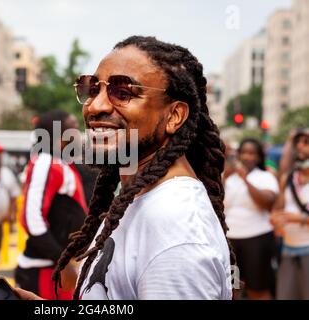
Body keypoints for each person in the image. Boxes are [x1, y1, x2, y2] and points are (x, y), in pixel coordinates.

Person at [16, 36, 234, 300]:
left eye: (124, 92)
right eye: (93, 89)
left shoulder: (176, 232)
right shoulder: (139, 199)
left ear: (174, 116)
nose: (95, 106)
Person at [15, 110, 88, 300]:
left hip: (58, 269)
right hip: (45, 270)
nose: (79, 135)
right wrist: (61, 258)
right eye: (74, 128)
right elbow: (31, 219)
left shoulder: (62, 162)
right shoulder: (45, 162)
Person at [224, 138, 279, 300]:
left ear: (259, 157)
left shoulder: (265, 177)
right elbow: (215, 200)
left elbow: (267, 202)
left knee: (257, 289)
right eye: (244, 153)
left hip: (257, 241)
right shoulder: (228, 177)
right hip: (231, 243)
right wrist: (225, 176)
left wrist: (246, 180)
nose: (248, 157)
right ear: (238, 155)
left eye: (252, 153)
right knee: (233, 289)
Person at [271, 128, 309, 299]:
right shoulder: (288, 178)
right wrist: (275, 220)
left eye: (306, 143)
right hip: (288, 250)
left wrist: (299, 218)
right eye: (298, 143)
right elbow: (278, 210)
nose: (300, 147)